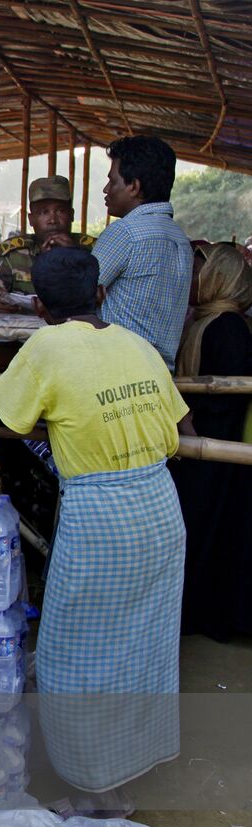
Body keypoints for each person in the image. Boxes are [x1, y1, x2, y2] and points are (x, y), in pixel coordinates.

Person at [0, 246, 192, 795]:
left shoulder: (47, 345)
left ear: (39, 306)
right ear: (100, 295)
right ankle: (136, 760)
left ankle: (91, 786)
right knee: (142, 646)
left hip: (103, 516)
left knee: (72, 653)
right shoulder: (134, 342)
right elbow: (182, 429)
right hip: (161, 510)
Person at [171, 242, 252, 641]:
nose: (193, 279)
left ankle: (204, 615)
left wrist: (190, 426)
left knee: (208, 530)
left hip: (215, 448)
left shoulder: (229, 327)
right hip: (201, 444)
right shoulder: (205, 320)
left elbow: (227, 401)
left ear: (221, 278)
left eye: (201, 271)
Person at [95, 134, 193, 369]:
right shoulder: (180, 239)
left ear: (134, 186)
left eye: (113, 181)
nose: (106, 189)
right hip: (160, 375)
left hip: (117, 371)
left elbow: (75, 299)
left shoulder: (125, 233)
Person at [0, 176, 97, 314]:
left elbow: (103, 298)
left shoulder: (90, 251)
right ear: (31, 219)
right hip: (24, 333)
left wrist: (74, 256)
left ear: (71, 215)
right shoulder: (15, 255)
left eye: (60, 211)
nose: (52, 220)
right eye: (43, 212)